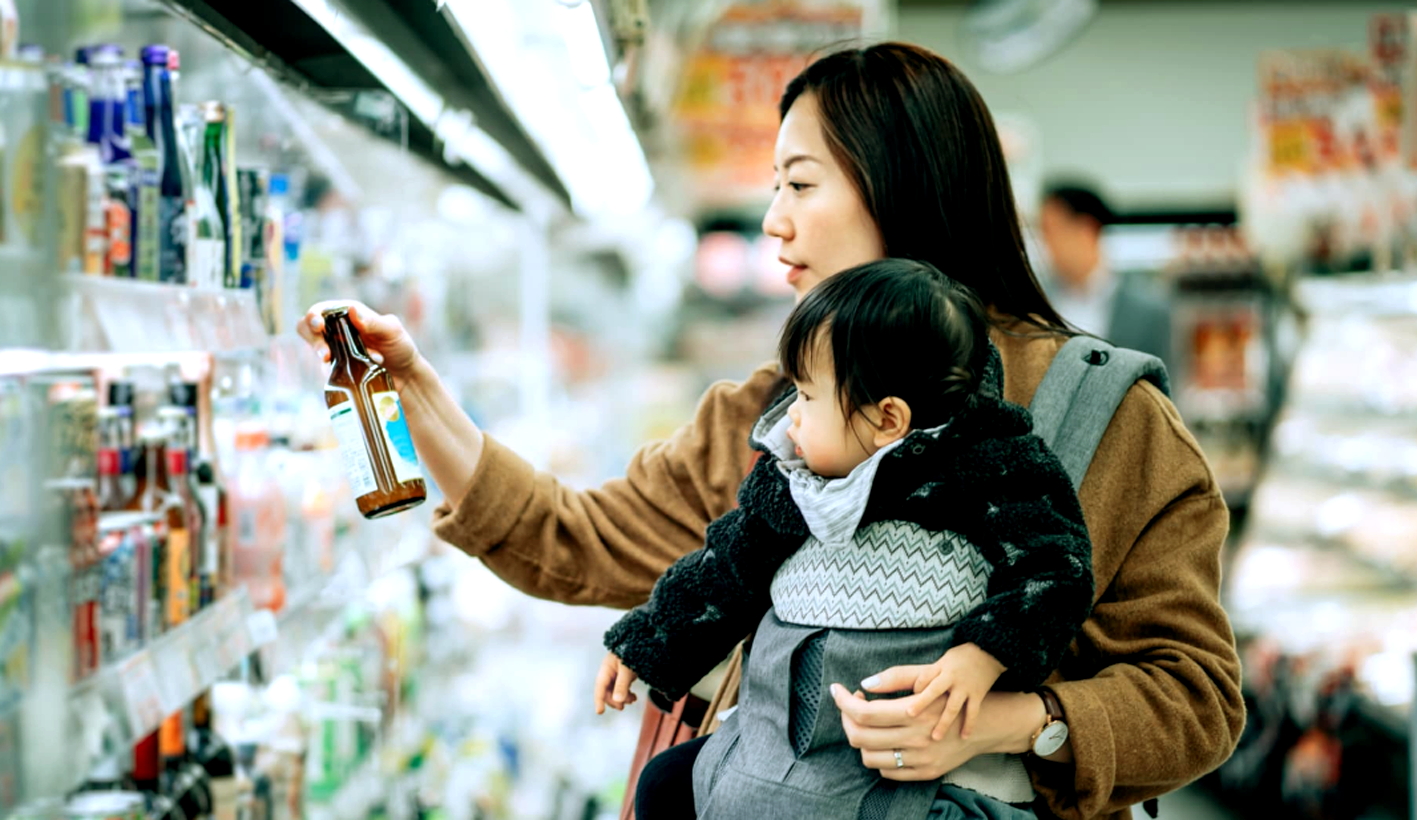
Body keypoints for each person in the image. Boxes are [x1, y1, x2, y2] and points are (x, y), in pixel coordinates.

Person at [299, 42, 1244, 820]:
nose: (772, 223)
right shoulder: (774, 414)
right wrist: (407, 391)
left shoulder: (1111, 418)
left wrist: (1007, 721)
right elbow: (573, 536)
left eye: (800, 185)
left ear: (900, 187)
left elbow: (1195, 696)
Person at [593, 259, 1094, 819]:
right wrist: (648, 641)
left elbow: (1058, 568)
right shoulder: (790, 485)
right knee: (665, 782)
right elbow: (726, 569)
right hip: (782, 750)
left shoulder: (993, 469)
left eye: (806, 397)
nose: (791, 421)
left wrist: (983, 656)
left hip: (925, 776)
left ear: (887, 419)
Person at [1036, 183, 1174, 368]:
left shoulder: (1148, 312)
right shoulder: (1035, 304)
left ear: (1086, 229)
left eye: (1050, 230)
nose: (1044, 243)